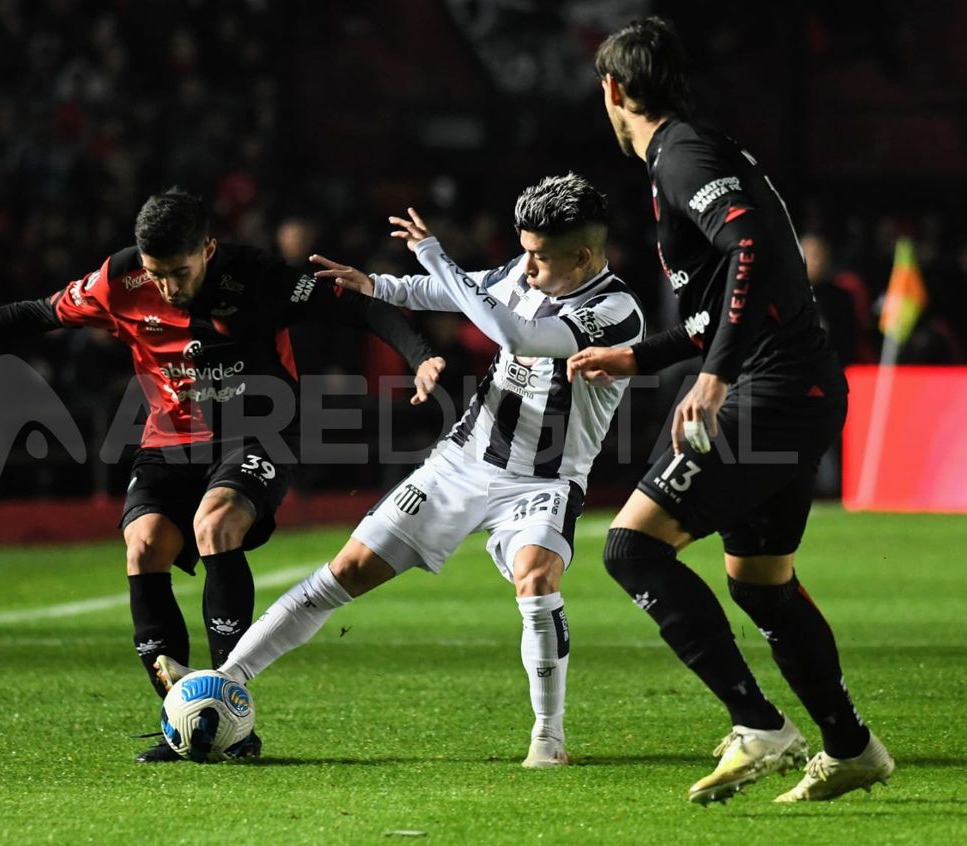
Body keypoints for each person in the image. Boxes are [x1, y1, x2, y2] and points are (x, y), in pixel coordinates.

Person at [0, 187, 444, 763]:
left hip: (258, 432)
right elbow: (33, 314)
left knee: (216, 524)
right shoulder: (119, 281)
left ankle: (228, 696)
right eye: (157, 273)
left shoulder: (259, 278)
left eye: (178, 272)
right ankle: (183, 718)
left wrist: (420, 358)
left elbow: (361, 310)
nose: (166, 286)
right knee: (145, 543)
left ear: (208, 250)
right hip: (169, 441)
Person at [166, 174, 644, 768]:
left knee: (538, 579)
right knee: (344, 571)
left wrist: (437, 255)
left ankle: (549, 737)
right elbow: (461, 291)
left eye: (541, 256)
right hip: (463, 463)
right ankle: (226, 680)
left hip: (543, 481)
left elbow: (514, 332)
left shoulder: (615, 310)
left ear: (585, 255)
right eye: (524, 250)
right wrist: (380, 285)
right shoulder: (525, 273)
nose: (527, 266)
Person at [565, 17, 893, 802]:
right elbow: (734, 296)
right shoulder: (694, 150)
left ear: (613, 89)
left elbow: (751, 251)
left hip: (770, 392)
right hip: (798, 389)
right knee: (759, 583)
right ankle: (850, 748)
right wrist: (643, 357)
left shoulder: (680, 155)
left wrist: (712, 378)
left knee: (631, 550)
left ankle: (760, 724)